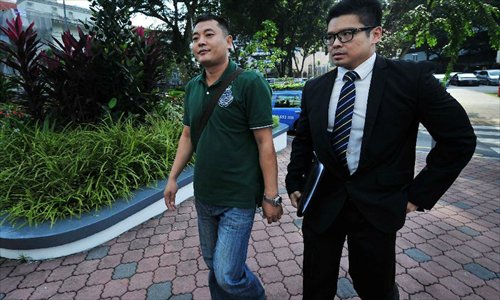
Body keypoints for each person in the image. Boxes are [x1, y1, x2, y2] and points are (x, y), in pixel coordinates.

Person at [285, 0, 476, 299]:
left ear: (376, 34)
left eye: (346, 34)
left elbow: (459, 139)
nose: (335, 43)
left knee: (375, 289)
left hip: (377, 207)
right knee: (316, 285)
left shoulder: (410, 80)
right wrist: (294, 180)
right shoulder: (315, 88)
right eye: (331, 36)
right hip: (323, 203)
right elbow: (304, 139)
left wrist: (417, 195)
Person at [163, 14, 283, 300]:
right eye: (195, 38)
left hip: (238, 198)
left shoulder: (249, 83)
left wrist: (271, 196)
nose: (200, 42)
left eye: (208, 34)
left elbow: (265, 142)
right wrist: (172, 177)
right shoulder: (192, 87)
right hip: (204, 195)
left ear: (228, 42)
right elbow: (187, 136)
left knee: (228, 273)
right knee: (213, 266)